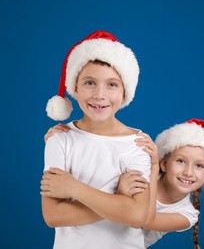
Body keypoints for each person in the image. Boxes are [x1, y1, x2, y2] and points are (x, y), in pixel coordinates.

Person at [43, 118, 204, 248]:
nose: (188, 172)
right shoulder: (141, 169)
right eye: (180, 161)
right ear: (167, 163)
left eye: (199, 166)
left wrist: (153, 168)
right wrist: (68, 137)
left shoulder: (187, 215)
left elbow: (143, 220)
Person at [42, 30, 151, 249]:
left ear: (124, 93)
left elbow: (137, 216)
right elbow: (53, 215)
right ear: (74, 88)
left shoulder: (138, 144)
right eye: (89, 82)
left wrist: (74, 189)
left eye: (112, 84)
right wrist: (119, 199)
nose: (99, 94)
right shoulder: (59, 139)